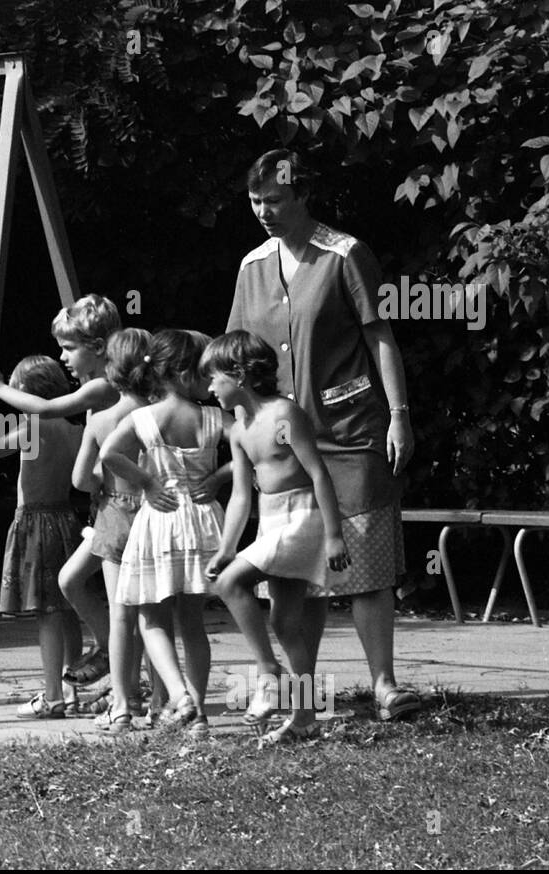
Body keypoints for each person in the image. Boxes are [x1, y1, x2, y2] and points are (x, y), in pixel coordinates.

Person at [226, 149, 421, 722]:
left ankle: (384, 683)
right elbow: (235, 354)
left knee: (365, 561)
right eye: (256, 200)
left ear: (303, 195)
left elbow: (380, 334)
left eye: (275, 200)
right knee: (293, 574)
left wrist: (399, 414)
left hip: (350, 431)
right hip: (284, 446)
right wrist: (241, 432)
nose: (264, 211)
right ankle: (301, 694)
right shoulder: (251, 266)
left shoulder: (346, 254)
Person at [201, 331, 352, 744]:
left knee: (230, 582)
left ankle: (270, 672)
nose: (210, 387)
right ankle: (305, 718)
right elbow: (239, 494)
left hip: (303, 517)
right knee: (286, 623)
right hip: (271, 518)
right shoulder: (238, 430)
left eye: (215, 378)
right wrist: (227, 546)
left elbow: (319, 473)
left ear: (240, 375)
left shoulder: (284, 416)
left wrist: (334, 534)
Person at [0, 293, 121, 688]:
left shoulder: (85, 398)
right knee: (69, 594)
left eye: (69, 348)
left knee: (57, 607)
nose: (64, 356)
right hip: (79, 515)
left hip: (60, 519)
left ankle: (96, 664)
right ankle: (98, 662)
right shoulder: (79, 420)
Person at [99, 329, 227, 733]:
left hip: (160, 520)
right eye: (204, 371)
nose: (210, 380)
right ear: (184, 372)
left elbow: (109, 455)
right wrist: (220, 475)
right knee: (192, 622)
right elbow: (253, 454)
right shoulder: (213, 417)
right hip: (203, 521)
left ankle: (178, 694)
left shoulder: (143, 418)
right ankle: (199, 712)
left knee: (151, 618)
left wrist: (147, 482)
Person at [0, 355, 84, 719]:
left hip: (36, 522)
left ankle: (51, 695)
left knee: (46, 613)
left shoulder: (36, 426)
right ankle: (73, 687)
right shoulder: (75, 429)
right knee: (67, 611)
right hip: (67, 518)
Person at [69, 328, 157, 730]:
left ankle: (121, 703)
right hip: (155, 515)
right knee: (156, 614)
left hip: (115, 517)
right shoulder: (162, 415)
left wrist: (101, 480)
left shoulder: (102, 421)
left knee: (120, 616)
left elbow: (81, 480)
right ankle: (162, 699)